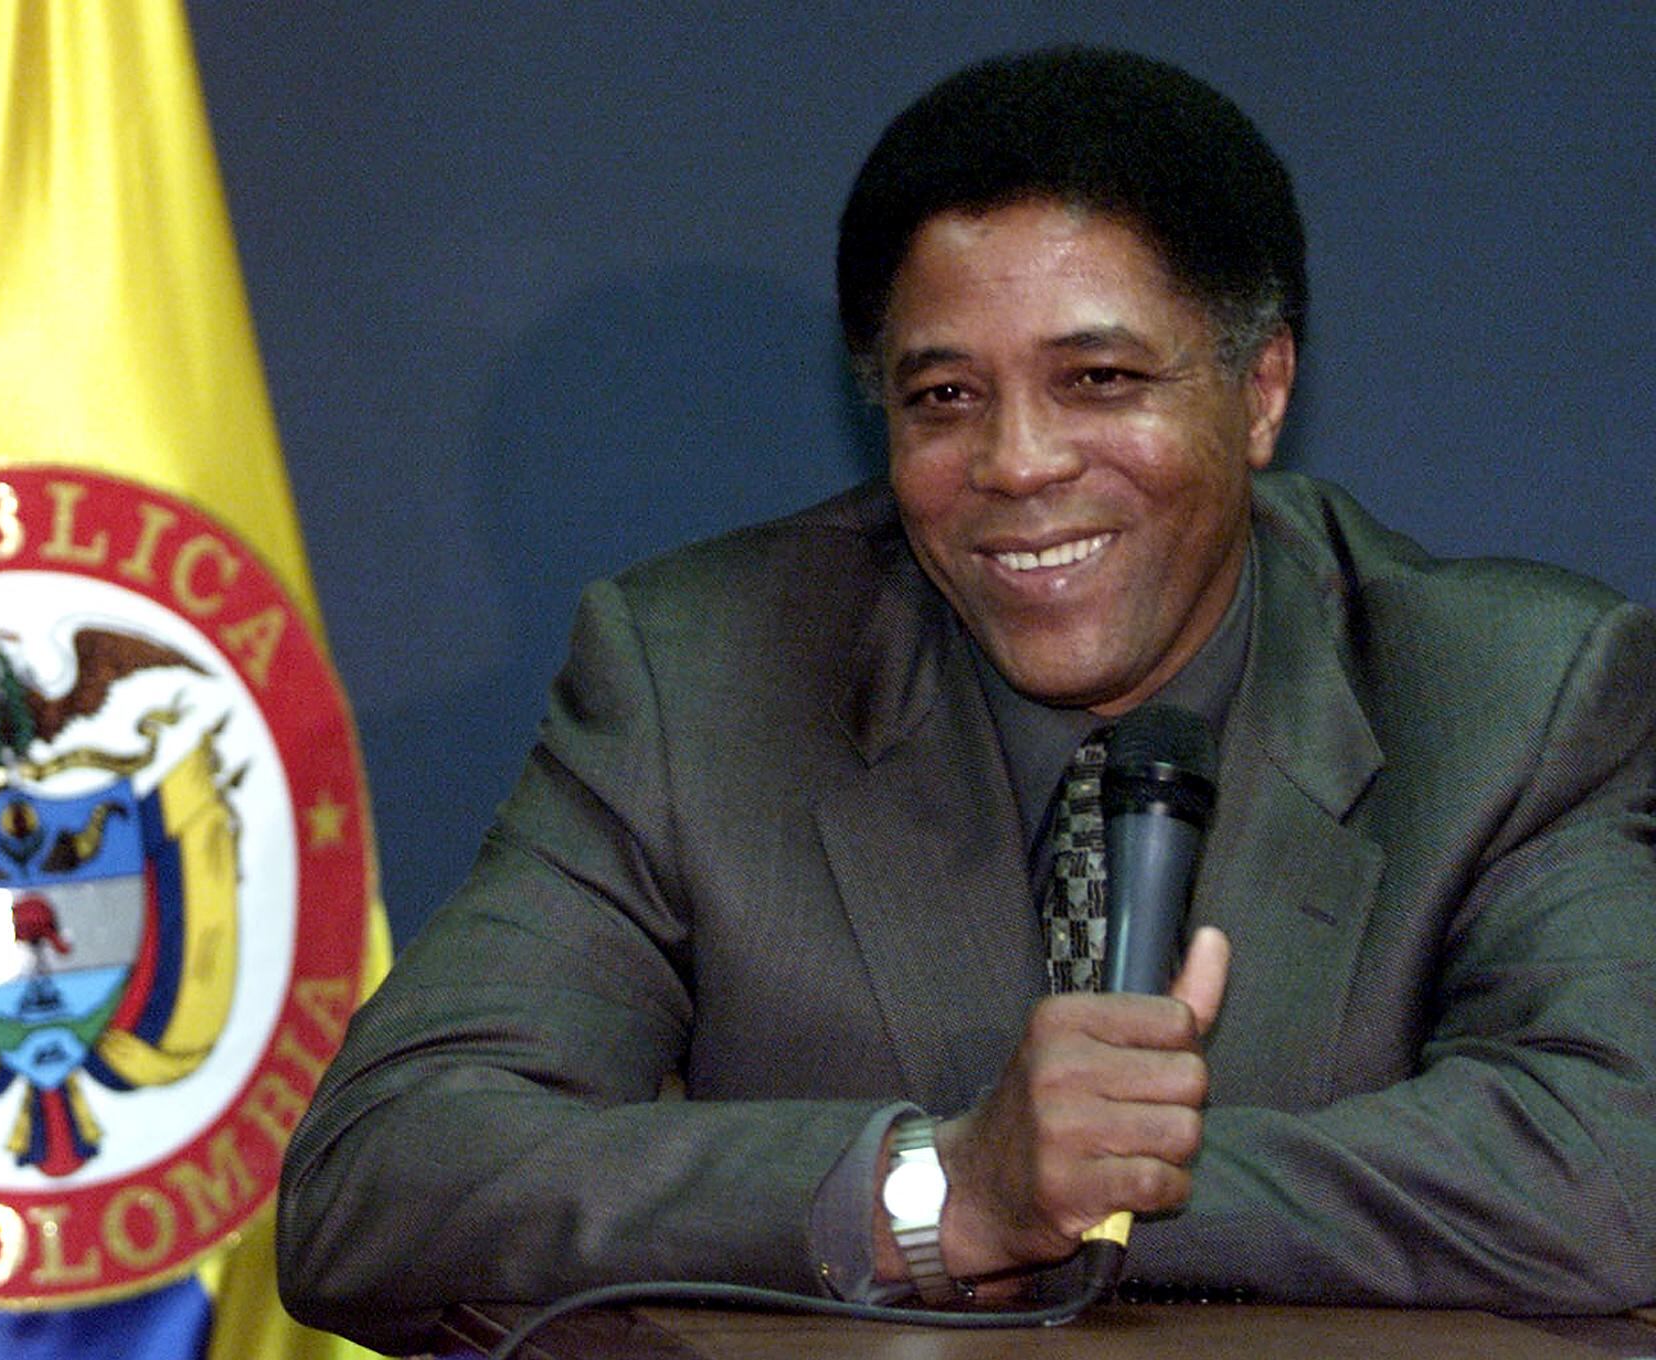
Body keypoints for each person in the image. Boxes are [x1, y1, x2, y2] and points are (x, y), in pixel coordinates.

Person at [277, 45, 1656, 1354]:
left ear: (1261, 390)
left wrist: (1063, 1191)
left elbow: (1618, 1168)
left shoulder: (1512, 694)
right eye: (944, 396)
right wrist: (939, 1188)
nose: (1016, 462)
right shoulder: (701, 677)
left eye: (1098, 380)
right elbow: (379, 1177)